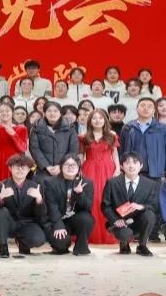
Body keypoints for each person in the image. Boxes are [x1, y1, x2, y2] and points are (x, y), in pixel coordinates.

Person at [0, 154, 48, 258]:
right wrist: (0, 197)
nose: (20, 169)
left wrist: (39, 200)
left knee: (38, 239)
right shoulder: (0, 185)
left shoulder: (35, 187)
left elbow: (41, 214)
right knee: (0, 211)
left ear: (28, 170)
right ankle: (3, 247)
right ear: (10, 168)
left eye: (23, 167)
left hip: (27, 223)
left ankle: (23, 243)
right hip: (8, 224)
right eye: (17, 166)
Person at [101, 153, 159, 256]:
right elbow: (105, 206)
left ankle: (142, 246)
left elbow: (154, 205)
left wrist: (142, 207)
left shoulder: (150, 184)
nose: (131, 166)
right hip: (120, 222)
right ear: (121, 166)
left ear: (141, 166)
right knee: (124, 234)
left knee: (150, 215)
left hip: (139, 221)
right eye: (127, 163)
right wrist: (115, 220)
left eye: (135, 162)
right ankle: (124, 243)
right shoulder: (112, 183)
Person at [80, 109, 121, 244]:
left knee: (107, 199)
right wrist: (78, 171)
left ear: (105, 120)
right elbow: (81, 155)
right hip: (89, 169)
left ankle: (110, 232)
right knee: (93, 199)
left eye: (100, 118)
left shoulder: (112, 135)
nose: (97, 121)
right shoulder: (84, 136)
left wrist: (117, 169)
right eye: (94, 118)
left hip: (108, 169)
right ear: (90, 121)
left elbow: (114, 153)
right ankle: (90, 233)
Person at [44, 154, 95, 256]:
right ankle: (63, 244)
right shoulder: (51, 182)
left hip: (75, 218)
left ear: (78, 167)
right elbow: (51, 206)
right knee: (60, 244)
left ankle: (81, 247)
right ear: (61, 167)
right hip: (58, 219)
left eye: (73, 165)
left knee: (86, 219)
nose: (70, 167)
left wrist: (80, 194)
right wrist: (58, 225)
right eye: (67, 165)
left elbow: (88, 206)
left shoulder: (86, 182)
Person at [119, 98, 166, 182]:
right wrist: (121, 166)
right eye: (142, 106)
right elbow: (121, 149)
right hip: (132, 171)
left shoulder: (163, 128)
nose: (146, 108)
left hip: (155, 172)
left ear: (154, 110)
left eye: (150, 106)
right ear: (137, 109)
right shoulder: (128, 128)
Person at [30, 103, 79, 182]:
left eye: (55, 111)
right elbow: (34, 149)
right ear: (44, 113)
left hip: (65, 169)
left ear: (60, 113)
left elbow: (73, 149)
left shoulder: (70, 127)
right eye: (49, 111)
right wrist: (47, 166)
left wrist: (61, 165)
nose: (52, 113)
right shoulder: (36, 127)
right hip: (43, 170)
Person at [0, 102, 30, 185]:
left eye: (7, 111)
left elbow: (23, 148)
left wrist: (13, 134)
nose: (4, 113)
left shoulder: (22, 128)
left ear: (12, 113)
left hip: (15, 161)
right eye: (1, 111)